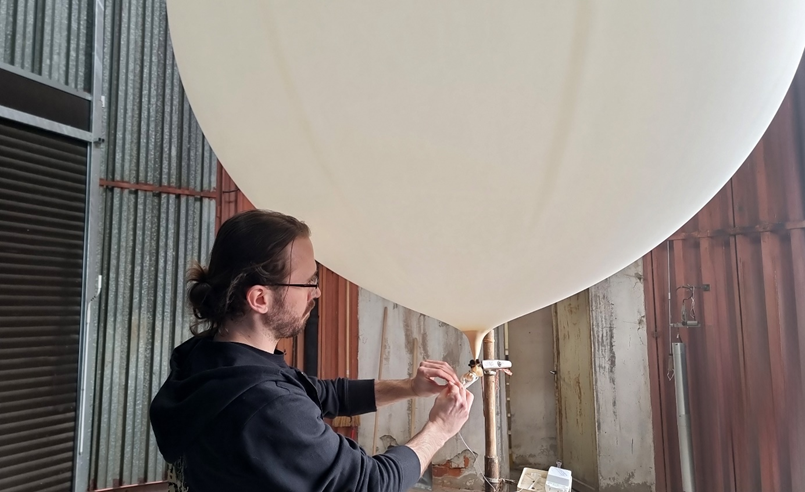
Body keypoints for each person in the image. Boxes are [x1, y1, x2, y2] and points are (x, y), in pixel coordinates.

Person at [150, 209, 474, 492]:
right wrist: (439, 429)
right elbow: (369, 483)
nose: (316, 293)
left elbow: (321, 393)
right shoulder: (266, 404)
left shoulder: (206, 357)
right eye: (307, 282)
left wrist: (410, 387)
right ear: (260, 298)